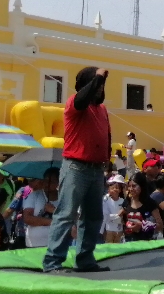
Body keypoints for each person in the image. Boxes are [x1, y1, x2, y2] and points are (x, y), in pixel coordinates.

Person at [42, 66, 112, 273]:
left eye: (102, 86)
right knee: (66, 214)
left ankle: (85, 259)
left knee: (93, 217)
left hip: (96, 169)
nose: (101, 90)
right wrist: (97, 78)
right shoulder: (75, 103)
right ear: (88, 86)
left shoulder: (102, 109)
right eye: (97, 86)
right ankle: (53, 262)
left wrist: (106, 160)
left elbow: (105, 136)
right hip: (76, 167)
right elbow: (82, 100)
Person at [23, 168, 58, 249]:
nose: (47, 184)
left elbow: (69, 218)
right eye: (45, 180)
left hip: (56, 245)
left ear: (58, 182)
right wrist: (54, 222)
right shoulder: (34, 196)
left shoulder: (64, 198)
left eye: (51, 181)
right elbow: (27, 218)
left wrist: (54, 211)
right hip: (34, 245)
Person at [122, 173, 159, 242]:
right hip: (128, 243)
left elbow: (160, 225)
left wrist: (143, 225)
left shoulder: (150, 203)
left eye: (134, 186)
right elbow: (121, 218)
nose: (131, 189)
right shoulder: (127, 202)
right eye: (129, 186)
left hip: (146, 244)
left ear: (142, 186)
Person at [102, 175, 126, 243]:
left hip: (119, 230)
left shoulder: (122, 200)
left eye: (117, 188)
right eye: (113, 188)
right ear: (109, 190)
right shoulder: (106, 200)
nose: (115, 190)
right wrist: (118, 216)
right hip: (109, 229)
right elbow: (106, 216)